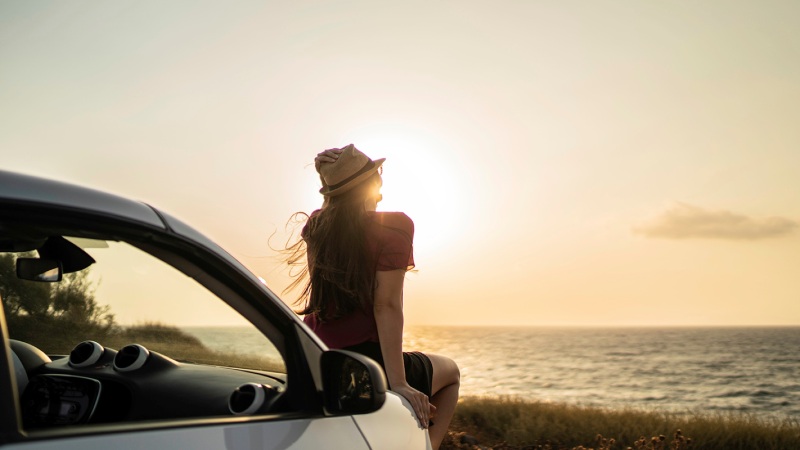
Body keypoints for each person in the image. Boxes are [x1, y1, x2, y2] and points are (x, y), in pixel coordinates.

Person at [284, 144, 460, 449]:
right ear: (372, 183)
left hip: (318, 355)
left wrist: (329, 180)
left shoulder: (317, 225)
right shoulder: (394, 227)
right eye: (376, 173)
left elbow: (324, 293)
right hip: (366, 362)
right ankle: (427, 447)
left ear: (329, 192)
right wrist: (399, 383)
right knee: (452, 373)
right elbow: (386, 305)